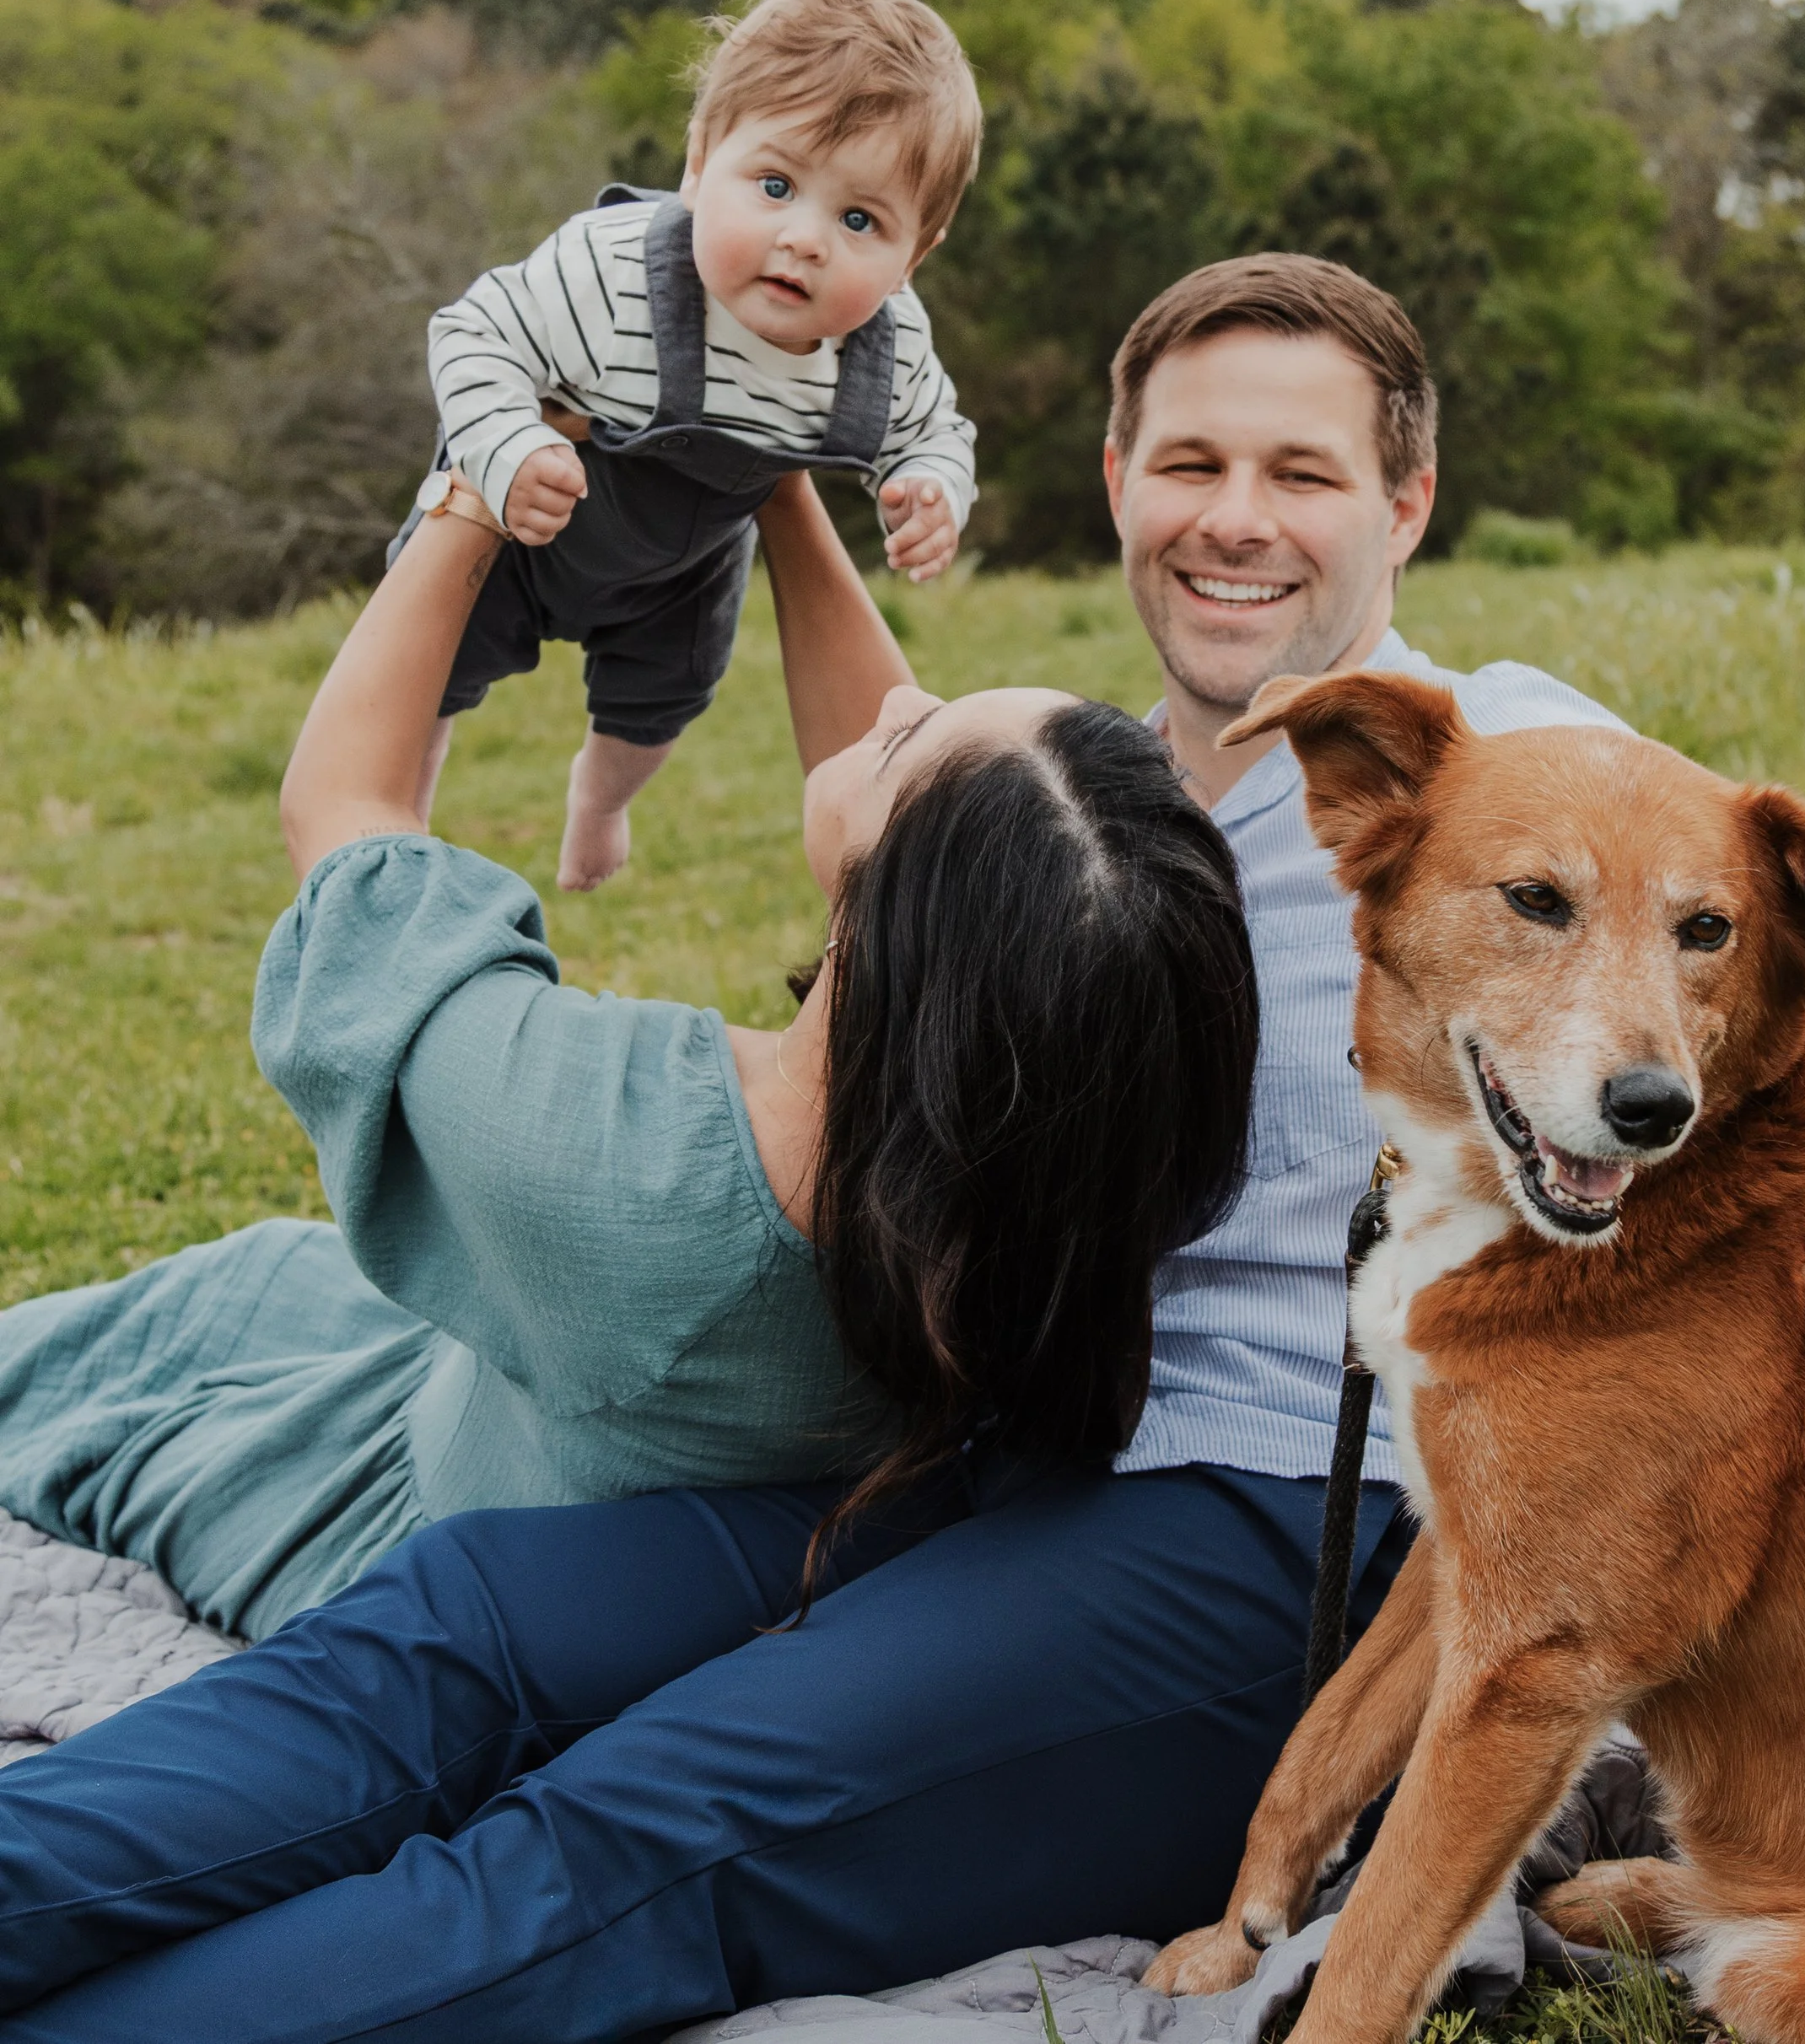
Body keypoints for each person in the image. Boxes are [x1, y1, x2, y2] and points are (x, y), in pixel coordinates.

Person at [0, 260, 1805, 2042]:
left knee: (638, 1831)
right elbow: (877, 747)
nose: (1237, 520)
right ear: (1115, 486)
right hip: (1024, 1455)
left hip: (1280, 1536)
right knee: (459, 1625)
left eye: (1302, 471)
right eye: (1188, 462)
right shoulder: (1094, 802)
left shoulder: (1510, 759)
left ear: (1409, 500)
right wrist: (766, 481)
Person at [0, 473, 1255, 1642]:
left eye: (905, 743)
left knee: (123, 1351)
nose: (897, 699)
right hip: (573, 1417)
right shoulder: (1056, 1163)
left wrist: (472, 492)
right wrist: (777, 485)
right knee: (275, 1269)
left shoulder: (612, 1159)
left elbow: (347, 815)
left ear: (896, 917)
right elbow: (947, 849)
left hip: (404, 1526)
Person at [411, 0, 981, 891]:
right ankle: (400, 829)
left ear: (910, 258)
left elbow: (936, 428)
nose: (803, 238)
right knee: (424, 677)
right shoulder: (614, 273)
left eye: (858, 219)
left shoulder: (884, 347)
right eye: (773, 184)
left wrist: (931, 486)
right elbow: (470, 331)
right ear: (696, 166)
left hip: (686, 560)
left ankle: (599, 800)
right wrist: (505, 446)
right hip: (518, 512)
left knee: (659, 709)